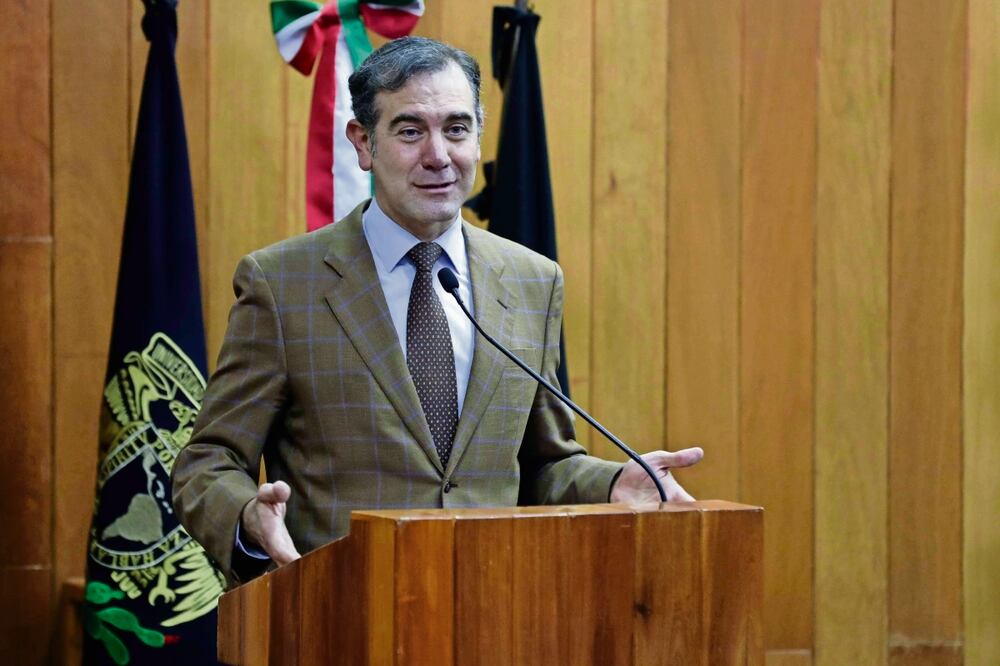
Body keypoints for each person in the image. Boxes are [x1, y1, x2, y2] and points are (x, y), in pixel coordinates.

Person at [171, 36, 702, 586]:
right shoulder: (282, 284)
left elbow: (543, 463)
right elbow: (207, 462)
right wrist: (246, 517)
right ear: (363, 143)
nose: (438, 155)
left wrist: (615, 482)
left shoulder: (531, 281)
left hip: (492, 609)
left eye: (456, 128)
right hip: (339, 612)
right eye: (409, 131)